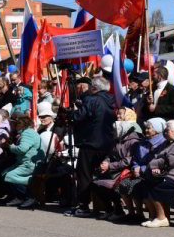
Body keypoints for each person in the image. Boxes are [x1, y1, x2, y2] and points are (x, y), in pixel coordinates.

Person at [66, 76, 116, 217]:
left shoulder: (92, 100)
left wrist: (71, 113)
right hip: (107, 142)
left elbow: (77, 117)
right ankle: (110, 208)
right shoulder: (111, 100)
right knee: (102, 176)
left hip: (91, 143)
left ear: (94, 88)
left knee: (84, 175)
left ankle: (84, 206)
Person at [117, 118, 167, 224]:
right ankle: (135, 214)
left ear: (157, 130)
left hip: (154, 173)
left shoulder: (163, 143)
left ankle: (152, 215)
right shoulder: (142, 142)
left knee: (140, 185)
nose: (146, 130)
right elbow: (135, 159)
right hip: (139, 172)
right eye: (146, 128)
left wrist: (143, 168)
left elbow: (159, 161)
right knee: (123, 183)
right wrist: (135, 167)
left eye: (149, 128)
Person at [90, 120, 143, 221]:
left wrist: (110, 166)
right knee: (95, 183)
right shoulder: (117, 139)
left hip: (126, 171)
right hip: (115, 169)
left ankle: (119, 210)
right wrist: (105, 163)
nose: (113, 131)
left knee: (110, 185)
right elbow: (110, 155)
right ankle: (109, 210)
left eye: (115, 130)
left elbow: (129, 160)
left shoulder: (134, 142)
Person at [138, 119, 174, 228]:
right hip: (173, 173)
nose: (164, 133)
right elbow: (156, 158)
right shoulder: (169, 142)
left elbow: (172, 160)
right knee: (146, 183)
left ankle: (162, 218)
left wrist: (158, 163)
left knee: (157, 186)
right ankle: (156, 216)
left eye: (167, 130)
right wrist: (156, 165)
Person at [2, 114, 44, 207]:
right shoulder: (28, 132)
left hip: (30, 164)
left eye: (16, 124)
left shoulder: (27, 133)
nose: (14, 126)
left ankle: (29, 197)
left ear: (21, 124)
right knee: (5, 173)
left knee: (10, 175)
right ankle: (18, 197)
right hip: (27, 162)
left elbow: (22, 149)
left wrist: (10, 146)